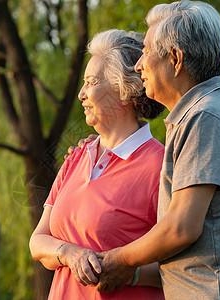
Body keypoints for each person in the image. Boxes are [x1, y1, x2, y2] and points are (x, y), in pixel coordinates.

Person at [74, 1, 220, 299]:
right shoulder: (200, 114)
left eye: (147, 51)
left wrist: (120, 259)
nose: (138, 65)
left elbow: (182, 227)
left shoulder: (206, 117)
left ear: (175, 58)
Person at [29, 29, 166, 299]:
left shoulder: (161, 166)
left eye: (91, 82)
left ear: (124, 91)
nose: (81, 94)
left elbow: (184, 268)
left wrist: (132, 272)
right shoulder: (76, 157)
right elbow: (38, 242)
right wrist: (69, 253)